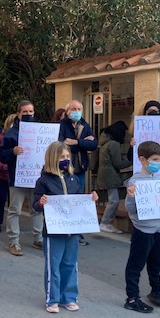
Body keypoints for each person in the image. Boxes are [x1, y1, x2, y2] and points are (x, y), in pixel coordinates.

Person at [33, 142, 98, 313]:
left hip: (72, 230)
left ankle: (68, 297)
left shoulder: (74, 179)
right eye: (62, 157)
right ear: (53, 158)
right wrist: (41, 202)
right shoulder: (44, 181)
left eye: (68, 157)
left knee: (70, 264)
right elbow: (35, 204)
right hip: (54, 232)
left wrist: (90, 198)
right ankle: (52, 299)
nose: (66, 160)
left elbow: (78, 201)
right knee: (53, 266)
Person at [124, 141, 160, 313]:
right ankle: (132, 297)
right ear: (143, 160)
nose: (158, 163)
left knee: (156, 263)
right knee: (136, 264)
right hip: (143, 230)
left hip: (158, 229)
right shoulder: (135, 182)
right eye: (155, 159)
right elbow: (131, 209)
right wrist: (131, 197)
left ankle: (156, 290)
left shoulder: (159, 181)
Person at [0, 100, 44, 256]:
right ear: (18, 114)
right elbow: (1, 155)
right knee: (15, 210)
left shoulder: (40, 131)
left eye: (31, 112)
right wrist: (13, 152)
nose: (28, 114)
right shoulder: (11, 134)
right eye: (25, 112)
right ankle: (14, 242)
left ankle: (38, 238)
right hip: (18, 178)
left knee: (37, 209)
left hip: (36, 178)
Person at [58, 100, 97, 245]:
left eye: (79, 108)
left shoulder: (85, 125)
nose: (77, 111)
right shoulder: (61, 125)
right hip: (65, 168)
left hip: (80, 168)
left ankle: (76, 232)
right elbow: (60, 144)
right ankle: (63, 228)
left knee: (77, 199)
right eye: (74, 109)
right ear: (67, 111)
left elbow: (93, 144)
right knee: (65, 198)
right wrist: (82, 143)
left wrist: (76, 142)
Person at [97, 120, 131, 234]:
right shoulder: (114, 144)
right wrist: (130, 161)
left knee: (113, 200)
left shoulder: (105, 141)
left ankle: (107, 223)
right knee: (114, 200)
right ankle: (106, 222)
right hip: (110, 175)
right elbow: (118, 163)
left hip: (105, 173)